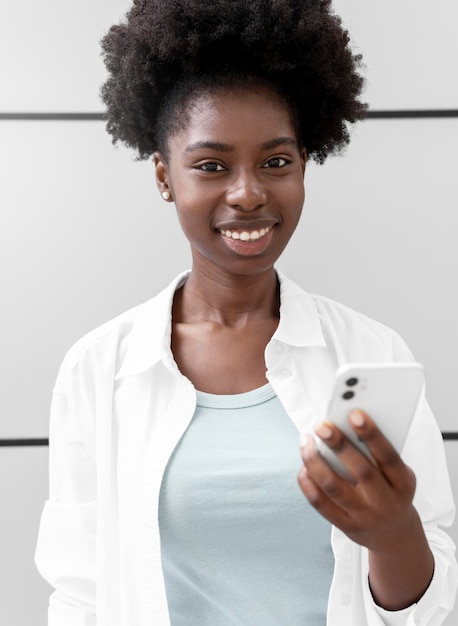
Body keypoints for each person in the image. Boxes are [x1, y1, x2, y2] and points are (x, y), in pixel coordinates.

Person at [35, 1, 457, 624]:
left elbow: (435, 607)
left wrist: (393, 534)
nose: (248, 193)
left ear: (305, 166)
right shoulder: (100, 368)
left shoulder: (372, 353)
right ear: (163, 176)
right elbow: (79, 595)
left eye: (276, 162)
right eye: (210, 166)